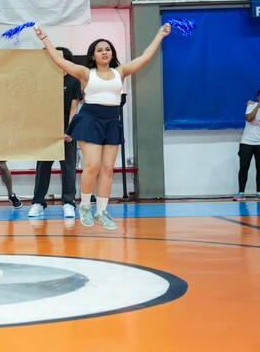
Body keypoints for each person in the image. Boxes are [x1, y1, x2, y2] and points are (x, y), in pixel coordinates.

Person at [34, 23, 171, 230]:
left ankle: (101, 211)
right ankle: (85, 206)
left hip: (112, 122)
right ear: (93, 55)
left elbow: (144, 58)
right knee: (93, 165)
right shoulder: (85, 73)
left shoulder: (120, 71)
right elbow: (59, 60)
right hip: (90, 120)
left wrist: (160, 35)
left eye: (107, 49)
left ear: (112, 53)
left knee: (107, 168)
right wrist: (44, 37)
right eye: (100, 50)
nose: (104, 52)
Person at [29, 47, 83, 219]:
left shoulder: (73, 81)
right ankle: (38, 202)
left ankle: (68, 203)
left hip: (67, 131)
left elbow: (74, 108)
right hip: (47, 132)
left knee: (68, 168)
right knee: (42, 168)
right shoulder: (43, 80)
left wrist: (70, 130)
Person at [233, 88, 260, 201]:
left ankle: (259, 193)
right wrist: (257, 106)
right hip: (247, 142)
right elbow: (249, 118)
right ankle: (241, 193)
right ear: (258, 97)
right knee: (244, 167)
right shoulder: (251, 106)